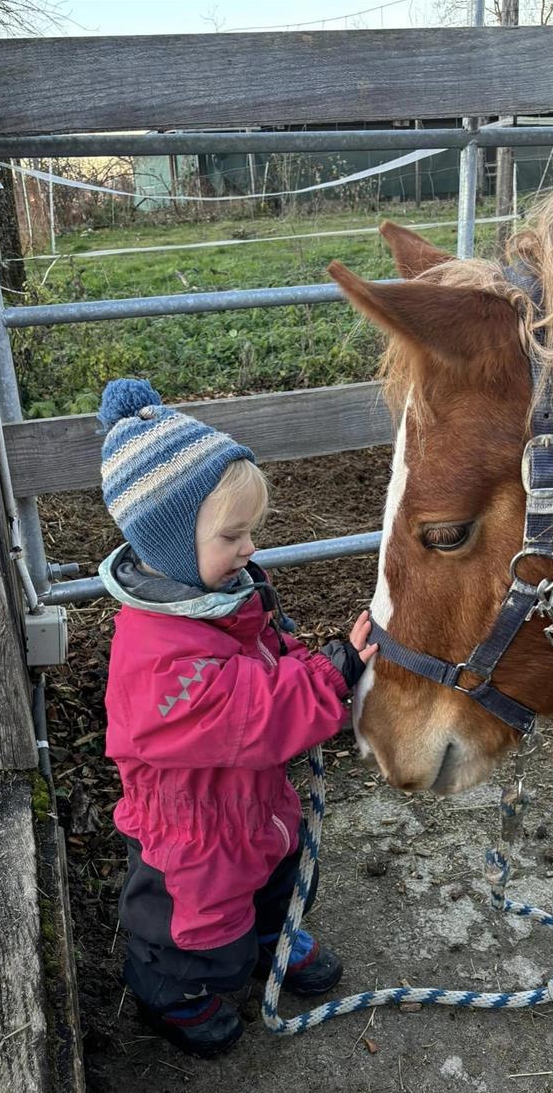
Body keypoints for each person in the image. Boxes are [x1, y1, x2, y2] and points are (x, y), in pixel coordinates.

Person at [98, 378, 377, 1057]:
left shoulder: (219, 596)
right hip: (193, 833)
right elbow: (250, 713)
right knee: (196, 930)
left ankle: (267, 939)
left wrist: (290, 647)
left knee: (277, 874)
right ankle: (169, 992)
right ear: (167, 545)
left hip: (248, 803)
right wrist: (332, 670)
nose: (249, 547)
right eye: (232, 534)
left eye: (250, 531)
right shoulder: (158, 660)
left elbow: (263, 660)